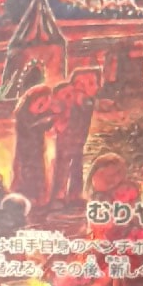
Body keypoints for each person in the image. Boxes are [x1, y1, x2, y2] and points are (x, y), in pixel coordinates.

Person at [51, 68, 102, 206]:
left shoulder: (88, 101)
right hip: (66, 140)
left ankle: (74, 195)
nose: (97, 87)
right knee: (63, 165)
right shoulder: (70, 100)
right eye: (91, 83)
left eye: (95, 83)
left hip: (78, 141)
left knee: (76, 166)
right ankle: (59, 195)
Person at [11, 84, 54, 208]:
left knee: (38, 174)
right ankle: (25, 197)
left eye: (46, 103)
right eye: (40, 103)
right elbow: (32, 128)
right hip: (25, 152)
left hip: (37, 151)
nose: (44, 106)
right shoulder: (23, 115)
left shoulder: (41, 114)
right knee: (25, 174)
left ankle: (37, 198)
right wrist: (47, 120)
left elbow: (45, 124)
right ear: (31, 101)